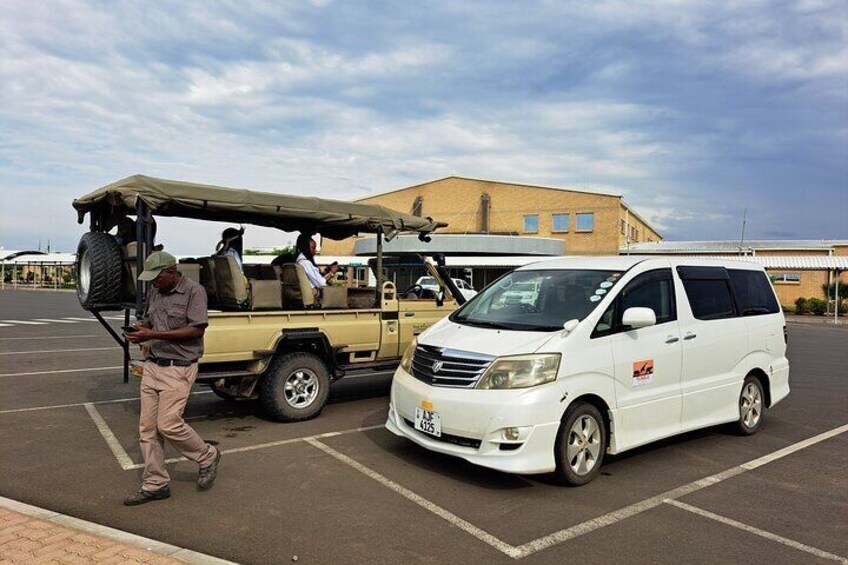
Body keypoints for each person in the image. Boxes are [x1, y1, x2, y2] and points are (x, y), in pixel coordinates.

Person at [123, 251, 221, 506]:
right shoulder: (156, 290)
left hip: (178, 368)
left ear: (171, 271)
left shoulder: (194, 291)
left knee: (168, 424)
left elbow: (196, 329)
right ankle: (155, 484)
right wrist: (140, 331)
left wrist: (153, 335)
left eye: (156, 277)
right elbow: (150, 319)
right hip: (153, 365)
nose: (153, 283)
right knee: (147, 429)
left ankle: (207, 455)